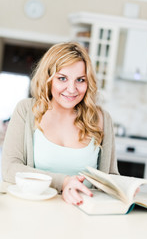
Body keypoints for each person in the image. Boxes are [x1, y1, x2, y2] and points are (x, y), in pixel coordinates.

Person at [2, 42, 119, 205]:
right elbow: (9, 168)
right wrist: (63, 182)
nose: (72, 89)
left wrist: (124, 188)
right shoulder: (26, 110)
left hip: (83, 215)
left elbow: (110, 177)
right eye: (62, 78)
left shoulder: (101, 118)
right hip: (33, 210)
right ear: (48, 79)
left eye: (80, 80)